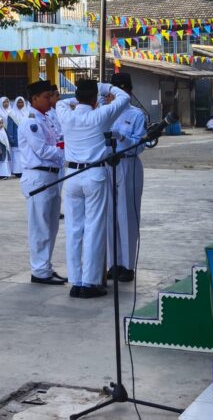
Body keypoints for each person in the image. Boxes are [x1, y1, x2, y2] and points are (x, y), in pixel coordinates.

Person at [56, 79, 130, 299]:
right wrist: (105, 88)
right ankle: (89, 282)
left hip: (71, 176)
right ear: (94, 98)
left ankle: (76, 281)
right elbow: (124, 98)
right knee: (94, 229)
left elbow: (63, 101)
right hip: (94, 174)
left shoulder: (65, 113)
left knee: (73, 229)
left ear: (77, 97)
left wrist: (83, 96)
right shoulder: (100, 115)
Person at [18, 80, 66, 286]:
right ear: (35, 98)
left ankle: (45, 266)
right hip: (39, 176)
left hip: (51, 175)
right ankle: (39, 270)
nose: (50, 100)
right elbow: (44, 150)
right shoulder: (31, 122)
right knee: (40, 226)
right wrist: (68, 154)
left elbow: (57, 141)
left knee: (51, 226)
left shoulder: (45, 118)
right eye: (46, 97)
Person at [105, 72, 146, 283]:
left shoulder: (136, 115)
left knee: (127, 215)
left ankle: (128, 266)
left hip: (128, 163)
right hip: (108, 165)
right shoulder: (105, 113)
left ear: (127, 91)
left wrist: (122, 137)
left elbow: (140, 146)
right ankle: (114, 262)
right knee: (111, 216)